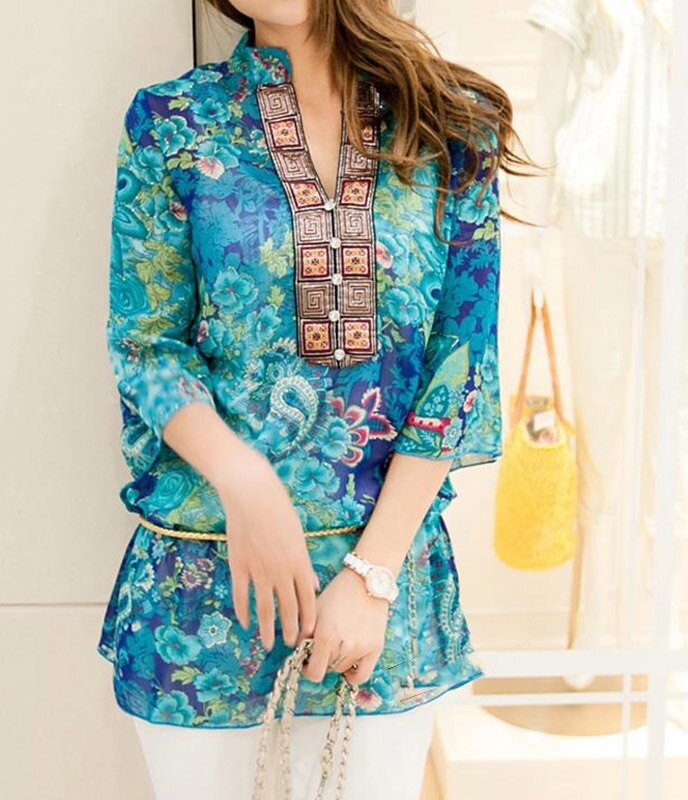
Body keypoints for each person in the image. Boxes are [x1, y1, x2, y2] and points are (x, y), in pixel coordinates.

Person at [96, 1, 533, 797]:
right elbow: (146, 342)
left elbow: (460, 366)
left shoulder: (451, 130)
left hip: (379, 603)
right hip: (202, 600)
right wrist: (245, 482)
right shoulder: (172, 123)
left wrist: (372, 576)